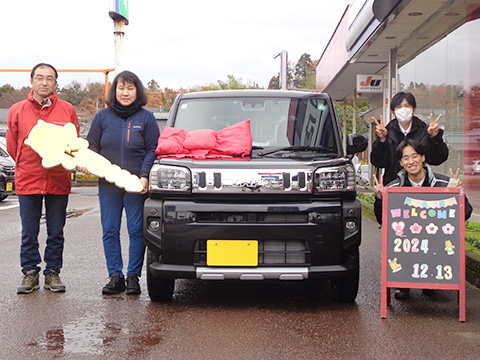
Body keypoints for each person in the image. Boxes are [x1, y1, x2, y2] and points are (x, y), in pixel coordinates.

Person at [6, 63, 79, 294]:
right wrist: (23, 164)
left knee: (56, 230)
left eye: (49, 78)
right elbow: (11, 144)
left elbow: (73, 143)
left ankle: (53, 273)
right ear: (31, 81)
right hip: (28, 179)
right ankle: (30, 272)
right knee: (29, 231)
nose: (44, 82)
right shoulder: (17, 109)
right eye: (39, 78)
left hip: (58, 179)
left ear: (56, 83)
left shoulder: (67, 109)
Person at [86, 71, 160, 295]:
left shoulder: (146, 118)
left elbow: (152, 150)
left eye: (130, 88)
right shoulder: (102, 117)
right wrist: (86, 162)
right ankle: (115, 276)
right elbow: (92, 147)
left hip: (136, 185)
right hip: (108, 184)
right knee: (110, 229)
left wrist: (144, 175)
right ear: (114, 90)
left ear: (137, 91)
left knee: (136, 229)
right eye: (121, 88)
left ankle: (133, 277)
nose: (125, 93)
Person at [373, 139, 472, 300]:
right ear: (401, 162)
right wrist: (379, 199)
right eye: (406, 158)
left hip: (436, 239)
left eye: (415, 156)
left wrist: (455, 195)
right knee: (398, 242)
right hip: (407, 241)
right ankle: (403, 283)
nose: (411, 161)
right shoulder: (393, 188)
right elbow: (382, 220)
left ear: (423, 157)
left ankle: (430, 281)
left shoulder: (444, 184)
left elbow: (466, 213)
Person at [371, 92, 449, 186]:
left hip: (421, 185)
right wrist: (382, 140)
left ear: (414, 109)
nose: (403, 110)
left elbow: (438, 159)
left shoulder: (425, 131)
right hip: (394, 186)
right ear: (393, 111)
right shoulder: (386, 132)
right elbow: (378, 162)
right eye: (399, 107)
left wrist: (434, 137)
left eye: (407, 106)